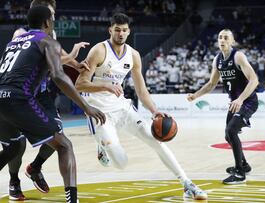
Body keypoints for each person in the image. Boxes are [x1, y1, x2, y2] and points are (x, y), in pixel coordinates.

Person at [0, 5, 105, 203]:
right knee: (64, 145)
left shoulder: (15, 42)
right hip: (19, 98)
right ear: (47, 22)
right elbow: (59, 76)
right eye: (52, 18)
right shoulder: (47, 40)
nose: (53, 20)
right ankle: (72, 201)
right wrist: (86, 107)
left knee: (11, 150)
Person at [75, 13, 207, 200]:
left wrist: (154, 111)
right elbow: (80, 85)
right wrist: (105, 85)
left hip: (122, 108)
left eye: (124, 30)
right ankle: (102, 144)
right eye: (117, 30)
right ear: (110, 30)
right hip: (99, 111)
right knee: (120, 162)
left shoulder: (133, 55)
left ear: (129, 32)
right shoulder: (98, 51)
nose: (121, 33)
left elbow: (141, 90)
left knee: (156, 141)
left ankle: (187, 183)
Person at [187, 29, 259, 184]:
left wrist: (240, 99)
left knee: (231, 131)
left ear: (232, 41)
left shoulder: (238, 56)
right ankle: (244, 165)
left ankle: (240, 173)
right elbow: (211, 84)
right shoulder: (217, 59)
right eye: (220, 37)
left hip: (248, 101)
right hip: (235, 103)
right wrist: (195, 95)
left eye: (226, 38)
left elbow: (254, 80)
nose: (222, 40)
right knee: (228, 136)